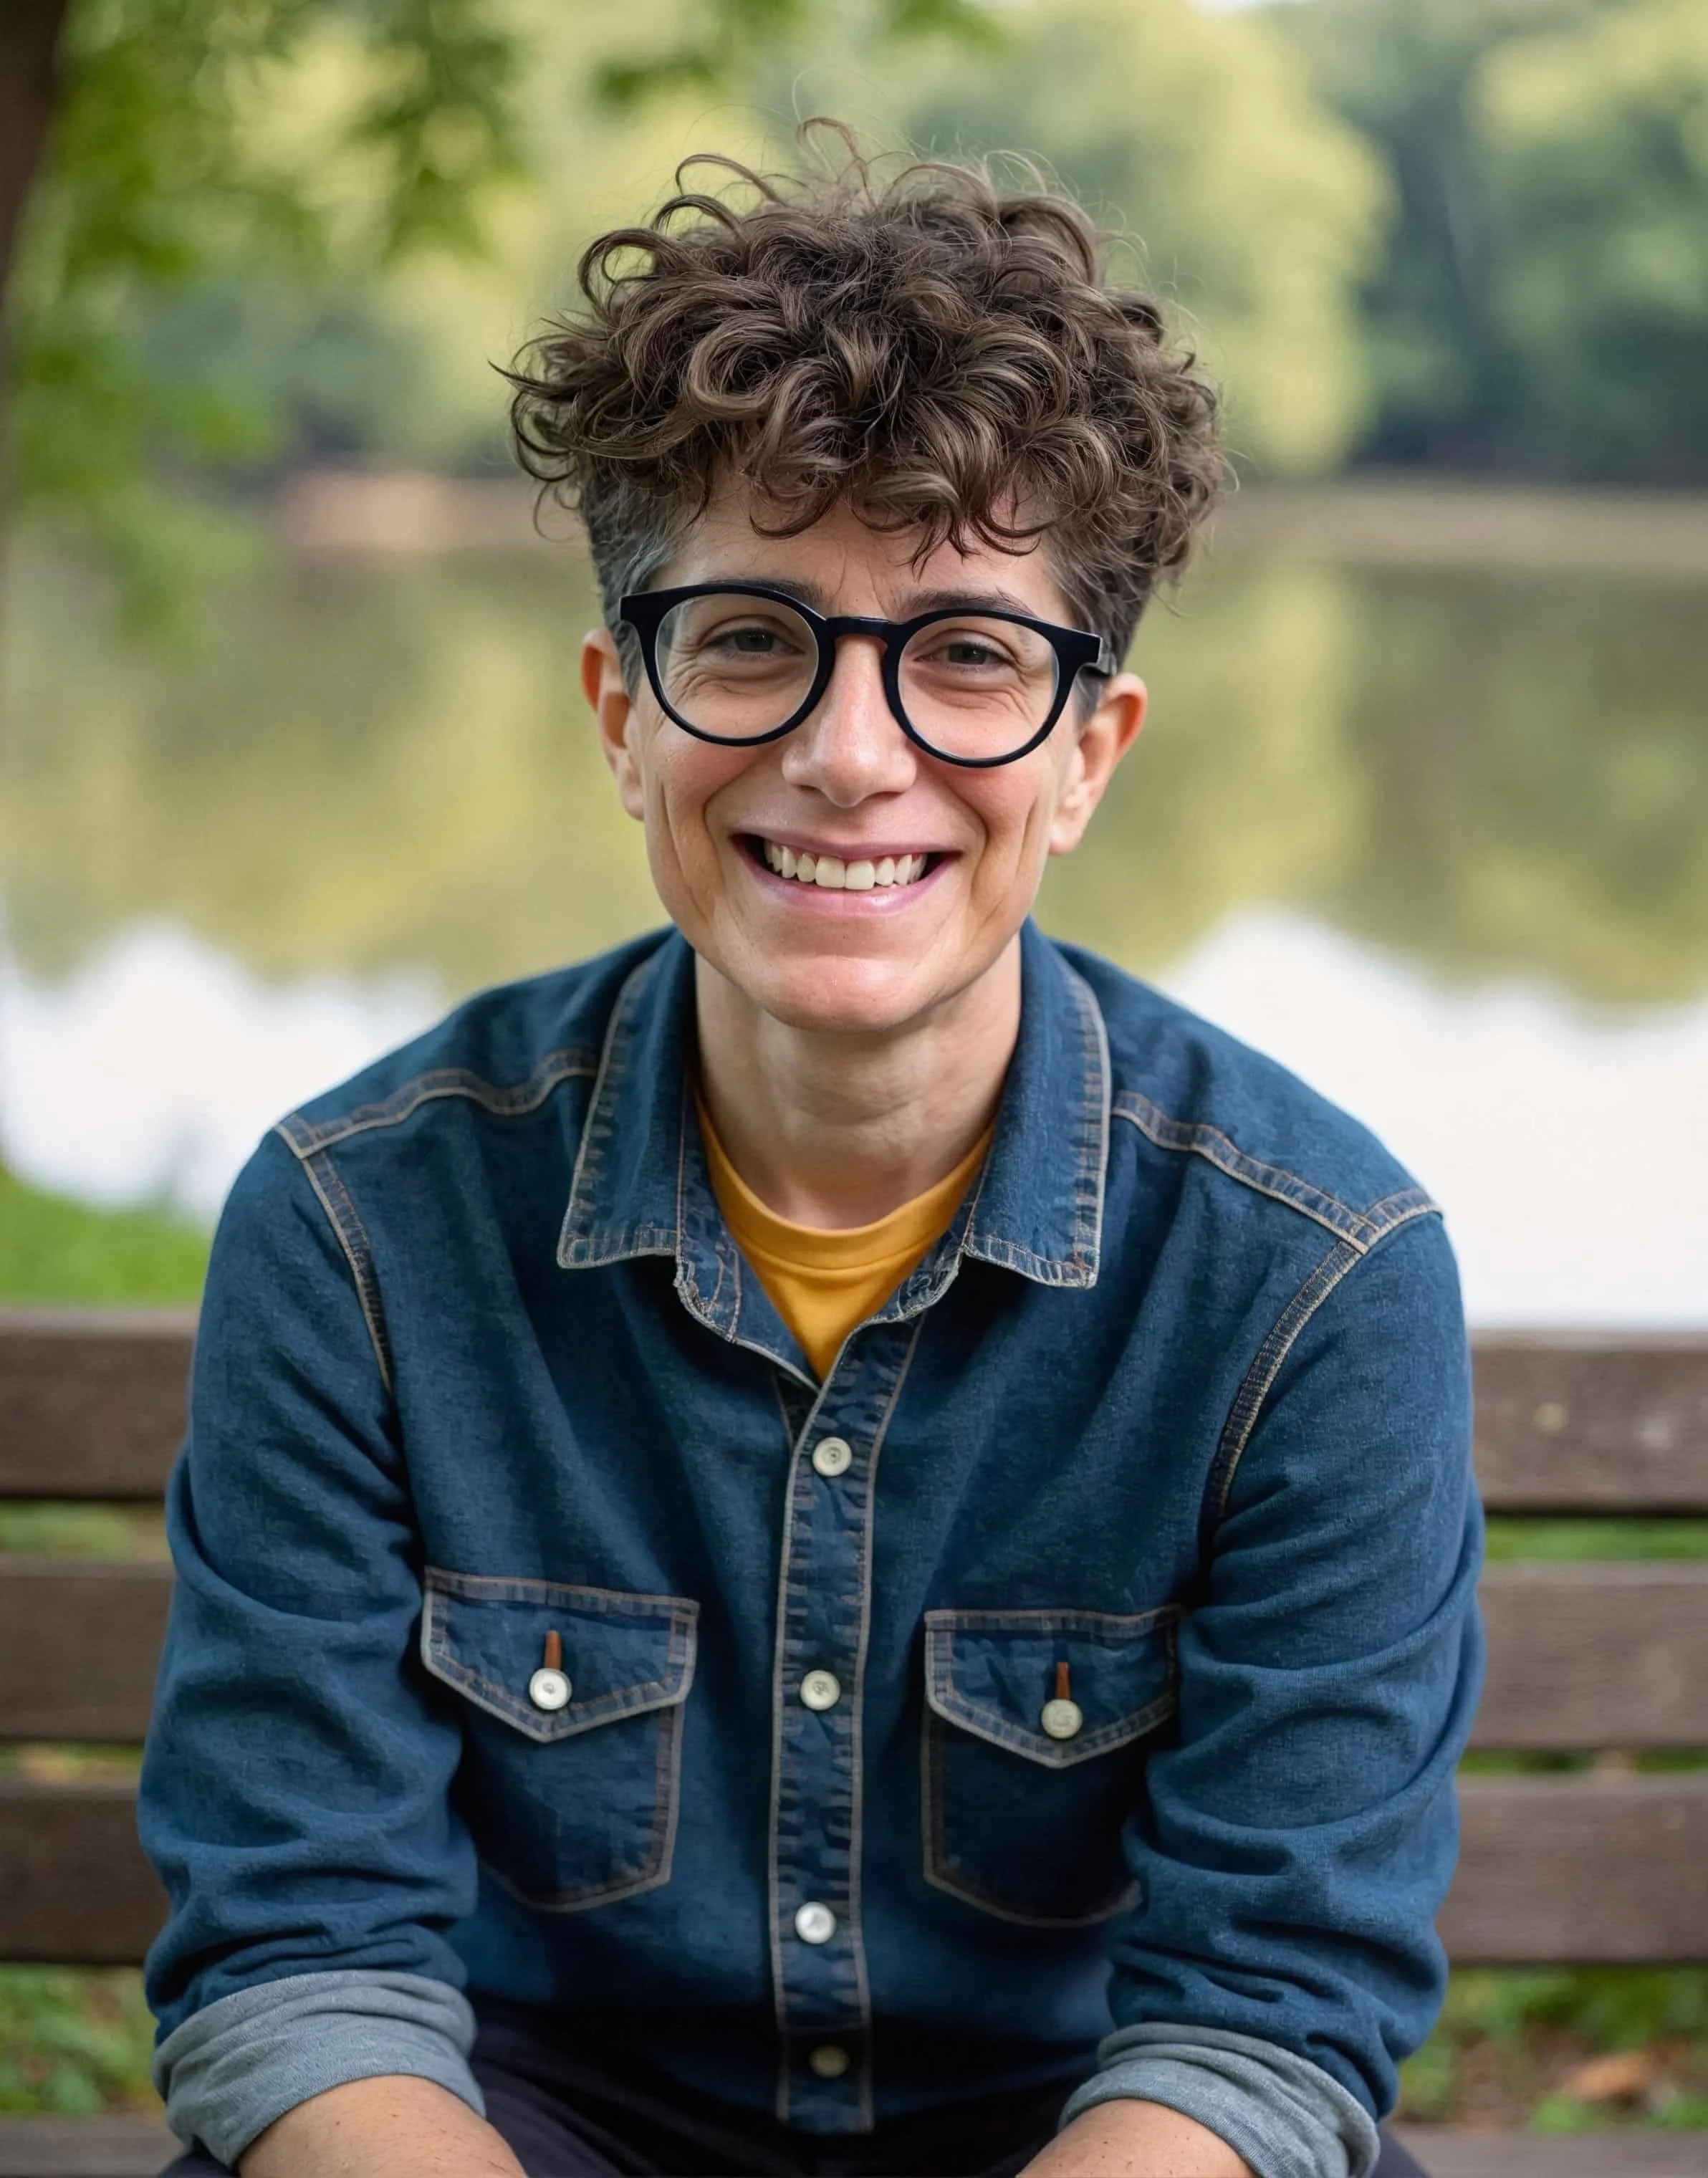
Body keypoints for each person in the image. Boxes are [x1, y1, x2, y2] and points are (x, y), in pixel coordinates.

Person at [138, 128, 1483, 2178]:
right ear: (621, 714)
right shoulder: (361, 1226)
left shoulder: (1316, 1277)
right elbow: (302, 1959)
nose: (852, 754)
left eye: (966, 652)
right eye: (752, 635)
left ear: (1089, 753)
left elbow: (1267, 2019)